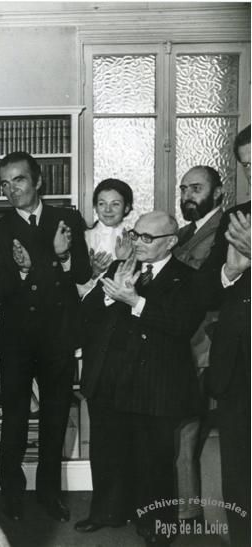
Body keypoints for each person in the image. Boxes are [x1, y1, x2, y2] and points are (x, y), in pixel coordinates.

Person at [77, 211, 202, 546]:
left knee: (154, 458)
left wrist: (134, 300)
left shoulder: (187, 278)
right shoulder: (120, 268)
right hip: (110, 378)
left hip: (156, 383)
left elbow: (181, 325)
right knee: (107, 451)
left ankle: (156, 523)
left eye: (148, 238)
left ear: (170, 242)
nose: (138, 243)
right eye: (135, 234)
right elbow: (87, 313)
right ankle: (107, 512)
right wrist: (108, 294)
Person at [0, 151, 90, 522]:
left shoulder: (67, 219)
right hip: (18, 339)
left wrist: (55, 258)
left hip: (58, 336)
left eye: (19, 180)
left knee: (54, 417)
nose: (11, 190)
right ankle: (12, 497)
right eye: (5, 183)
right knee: (14, 419)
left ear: (38, 181)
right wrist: (39, 266)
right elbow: (1, 288)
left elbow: (80, 272)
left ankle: (49, 494)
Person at [196, 124, 251, 546]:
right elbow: (205, 291)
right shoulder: (237, 217)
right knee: (239, 472)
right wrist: (230, 271)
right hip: (237, 363)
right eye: (248, 166)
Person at [171, 165, 224, 525]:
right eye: (183, 189)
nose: (187, 195)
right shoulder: (186, 231)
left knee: (188, 427)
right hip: (183, 338)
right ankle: (186, 506)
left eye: (196, 188)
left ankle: (188, 510)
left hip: (205, 341)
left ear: (218, 193)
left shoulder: (223, 230)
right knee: (184, 426)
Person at [78, 178, 134, 298]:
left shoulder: (134, 239)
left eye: (115, 204)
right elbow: (74, 288)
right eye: (102, 204)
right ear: (95, 207)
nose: (108, 210)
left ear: (126, 208)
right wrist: (93, 273)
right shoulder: (83, 238)